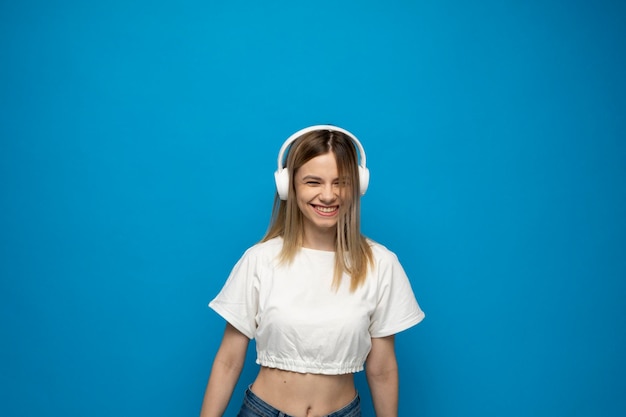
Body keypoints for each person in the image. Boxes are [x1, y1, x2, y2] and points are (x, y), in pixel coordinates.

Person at [199, 125, 425, 417]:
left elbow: (381, 368)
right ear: (288, 186)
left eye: (340, 182)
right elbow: (228, 360)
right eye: (313, 182)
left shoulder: (381, 264)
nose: (328, 195)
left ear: (358, 185)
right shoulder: (259, 260)